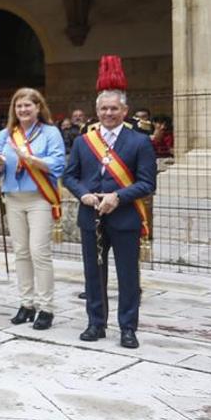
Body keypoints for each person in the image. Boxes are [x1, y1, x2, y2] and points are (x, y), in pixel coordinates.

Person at [62, 56, 157, 349]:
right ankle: (96, 323)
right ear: (97, 110)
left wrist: (118, 197)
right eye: (103, 108)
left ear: (125, 110)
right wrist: (84, 195)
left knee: (128, 276)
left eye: (114, 108)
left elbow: (147, 183)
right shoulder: (82, 141)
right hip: (91, 216)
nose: (108, 113)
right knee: (94, 273)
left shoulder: (139, 142)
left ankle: (128, 327)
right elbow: (70, 176)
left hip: (125, 216)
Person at [0, 87, 66, 329]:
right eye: (19, 106)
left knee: (39, 252)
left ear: (38, 107)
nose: (23, 110)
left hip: (39, 197)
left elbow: (58, 163)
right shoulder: (5, 135)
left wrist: (32, 159)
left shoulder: (50, 132)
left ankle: (46, 307)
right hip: (13, 197)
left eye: (28, 105)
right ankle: (26, 303)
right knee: (21, 252)